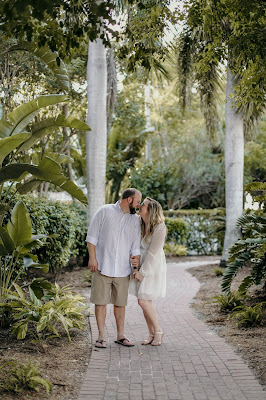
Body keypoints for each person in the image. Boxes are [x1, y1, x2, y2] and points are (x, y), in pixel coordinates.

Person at [86, 188, 141, 348]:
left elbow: (135, 245)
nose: (138, 205)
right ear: (129, 200)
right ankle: (101, 336)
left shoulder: (135, 220)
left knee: (120, 303)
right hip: (102, 265)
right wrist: (92, 258)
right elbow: (92, 236)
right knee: (100, 302)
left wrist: (135, 266)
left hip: (123, 269)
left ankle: (120, 335)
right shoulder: (104, 211)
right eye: (138, 201)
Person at [129, 197, 167, 346]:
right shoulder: (140, 224)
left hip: (152, 266)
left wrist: (142, 272)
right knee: (144, 301)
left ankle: (158, 331)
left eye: (143, 205)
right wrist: (134, 264)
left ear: (150, 210)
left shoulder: (160, 228)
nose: (139, 206)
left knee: (143, 300)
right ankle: (151, 333)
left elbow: (153, 254)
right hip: (141, 264)